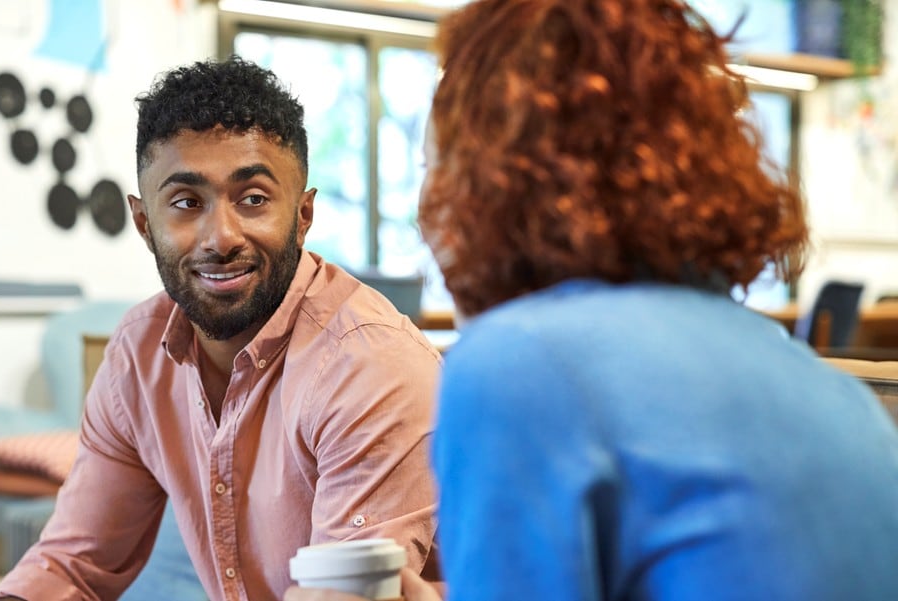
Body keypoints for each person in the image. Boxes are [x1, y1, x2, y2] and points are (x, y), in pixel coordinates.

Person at [287, 0, 898, 600]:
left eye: (434, 165)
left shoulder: (523, 366)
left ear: (492, 186)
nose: (423, 213)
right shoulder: (828, 390)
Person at [0, 56, 441, 601]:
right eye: (186, 202)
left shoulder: (370, 365)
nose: (220, 237)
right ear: (144, 223)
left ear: (302, 215)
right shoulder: (138, 356)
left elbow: (346, 596)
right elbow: (73, 564)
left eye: (252, 199)